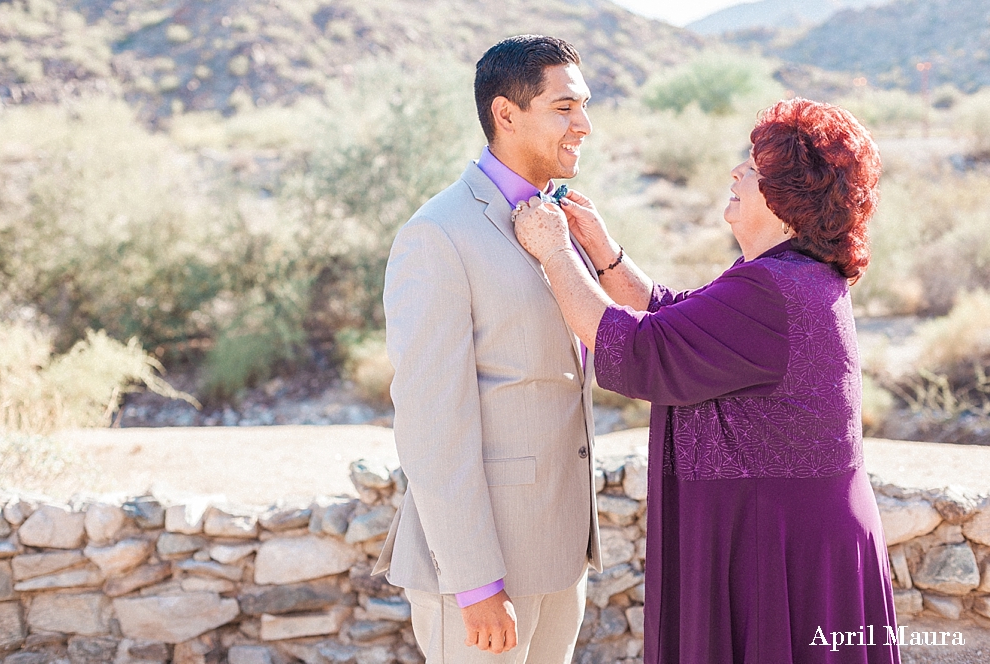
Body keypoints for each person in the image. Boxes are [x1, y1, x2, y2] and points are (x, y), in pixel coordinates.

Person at [513, 98, 900, 663]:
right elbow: (677, 317)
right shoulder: (790, 276)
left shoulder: (774, 288)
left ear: (789, 198)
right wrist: (602, 249)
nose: (737, 173)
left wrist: (552, 250)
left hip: (781, 547)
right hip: (801, 535)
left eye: (755, 166)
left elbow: (644, 347)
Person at [372, 35, 602, 663]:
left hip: (559, 559)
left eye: (583, 106)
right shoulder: (437, 236)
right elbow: (432, 422)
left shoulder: (560, 222)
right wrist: (475, 584)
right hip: (483, 575)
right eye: (564, 108)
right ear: (506, 114)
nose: (584, 124)